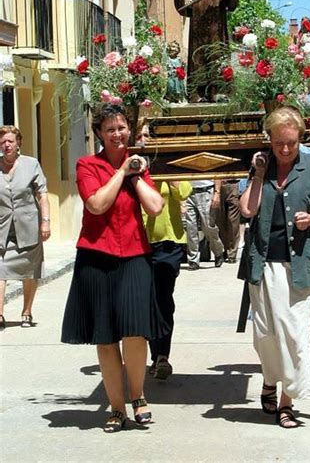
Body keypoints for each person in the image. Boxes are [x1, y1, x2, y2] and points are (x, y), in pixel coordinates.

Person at [61, 103, 164, 433]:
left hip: (135, 254)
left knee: (135, 332)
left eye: (121, 127)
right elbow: (96, 204)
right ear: (99, 134)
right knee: (105, 339)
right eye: (110, 129)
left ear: (129, 130)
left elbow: (156, 207)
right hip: (97, 256)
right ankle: (116, 408)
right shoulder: (87, 165)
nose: (117, 134)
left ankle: (138, 396)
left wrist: (136, 176)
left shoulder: (139, 166)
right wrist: (121, 173)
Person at [240, 107, 310, 428]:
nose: (285, 149)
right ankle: (270, 378)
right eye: (279, 143)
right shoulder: (260, 166)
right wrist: (257, 174)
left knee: (296, 333)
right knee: (266, 333)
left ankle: (287, 401)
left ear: (300, 140)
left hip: (301, 263)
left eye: (292, 143)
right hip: (263, 263)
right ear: (269, 139)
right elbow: (248, 210)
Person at [174, 0, 238, 101]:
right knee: (199, 56)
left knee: (217, 54)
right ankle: (198, 94)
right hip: (198, 21)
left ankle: (218, 91)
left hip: (216, 20)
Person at [0, 126, 51, 330]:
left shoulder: (31, 164)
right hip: (2, 228)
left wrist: (45, 221)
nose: (7, 145)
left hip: (28, 227)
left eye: (10, 141)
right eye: (3, 142)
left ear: (18, 142)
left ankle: (27, 312)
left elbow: (42, 194)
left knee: (29, 272)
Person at [143, 179, 193, 380]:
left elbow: (184, 191)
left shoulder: (167, 169)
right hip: (138, 243)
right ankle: (154, 354)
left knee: (162, 300)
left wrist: (172, 179)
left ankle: (162, 355)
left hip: (168, 243)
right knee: (145, 303)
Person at [185, 180, 225, 270]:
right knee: (190, 228)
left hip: (206, 190)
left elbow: (216, 173)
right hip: (188, 191)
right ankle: (193, 260)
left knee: (208, 227)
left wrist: (217, 193)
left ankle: (218, 252)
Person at [215, 179, 241, 263]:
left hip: (233, 184)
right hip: (219, 184)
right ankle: (225, 248)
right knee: (220, 221)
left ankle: (232, 253)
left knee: (233, 221)